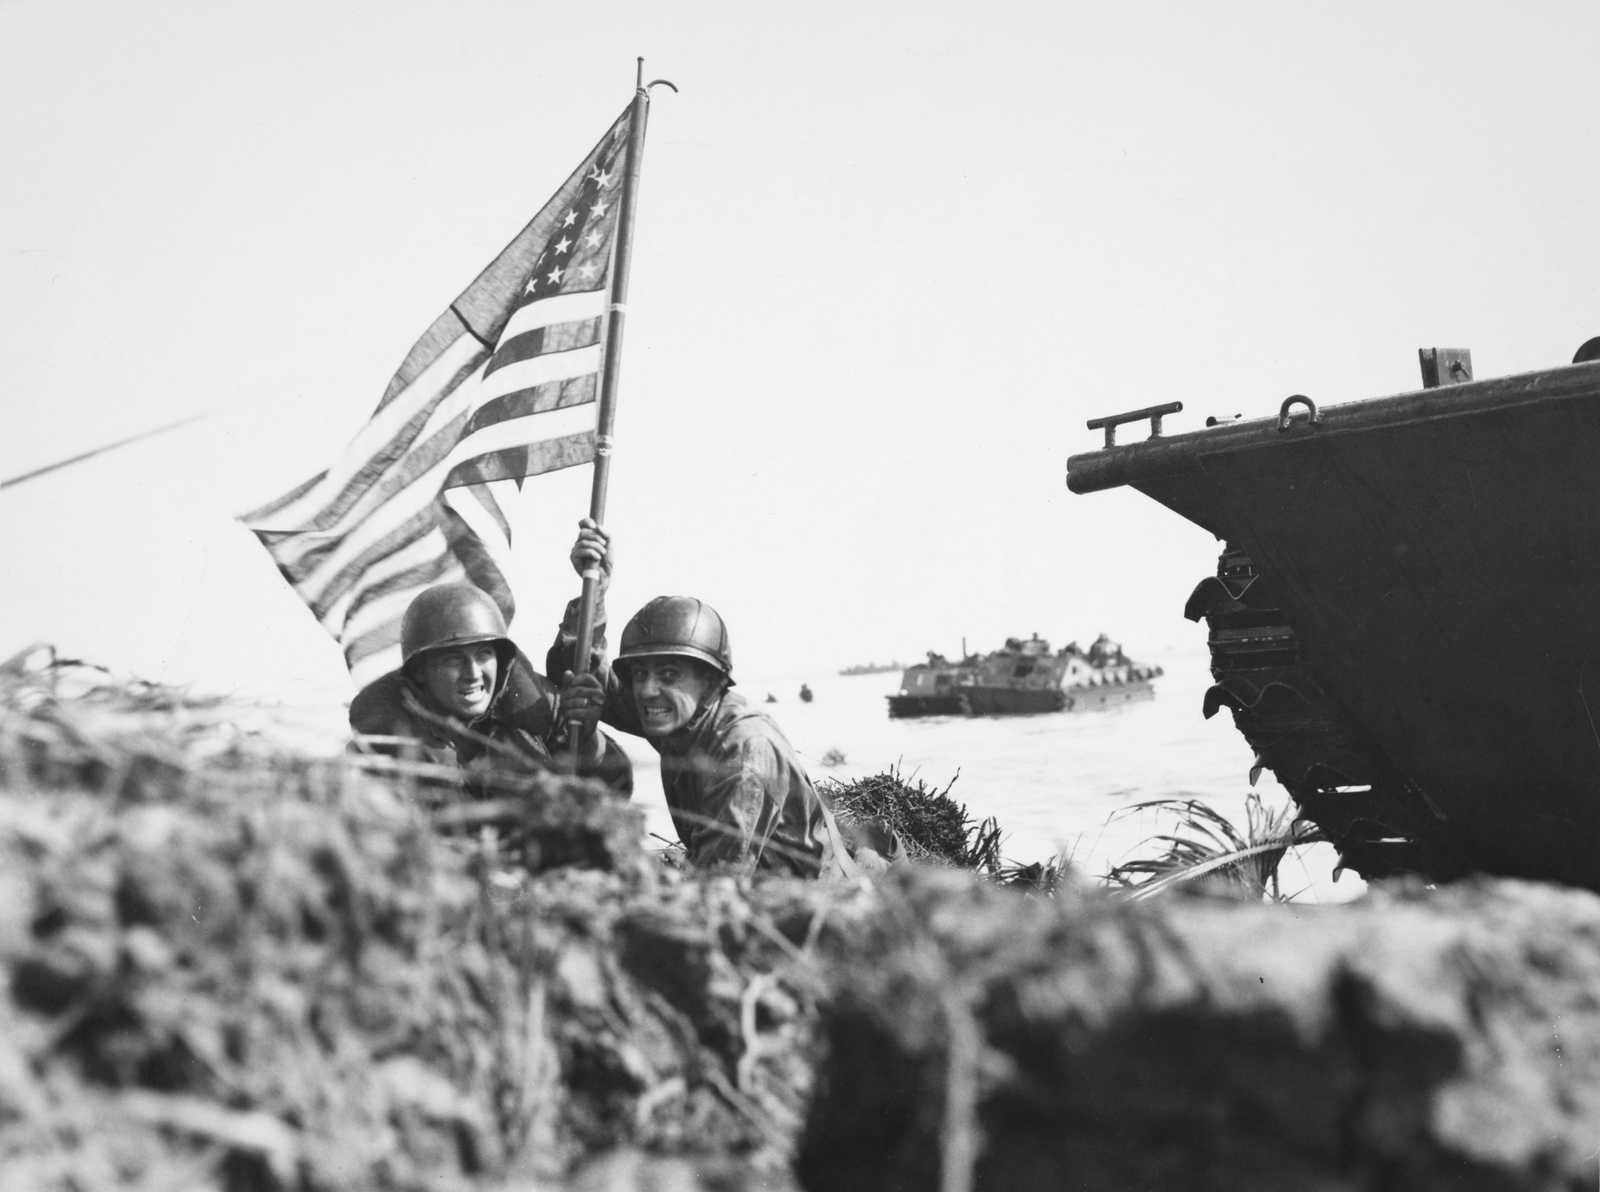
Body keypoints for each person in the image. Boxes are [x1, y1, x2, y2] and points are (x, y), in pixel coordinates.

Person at [554, 520, 857, 878]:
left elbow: (717, 886)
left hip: (815, 909)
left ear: (711, 683)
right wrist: (594, 592)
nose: (648, 690)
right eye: (639, 674)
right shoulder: (679, 716)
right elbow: (572, 672)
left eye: (669, 675)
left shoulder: (744, 751)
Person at [349, 581, 632, 799]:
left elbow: (617, 788)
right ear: (420, 672)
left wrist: (587, 742)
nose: (473, 674)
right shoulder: (382, 746)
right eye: (453, 659)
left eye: (484, 654)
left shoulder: (533, 716)